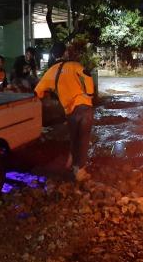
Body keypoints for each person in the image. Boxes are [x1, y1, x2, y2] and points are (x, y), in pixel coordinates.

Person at [35, 42, 94, 182]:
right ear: (65, 53)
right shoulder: (73, 65)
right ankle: (80, 170)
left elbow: (37, 91)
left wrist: (46, 96)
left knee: (74, 138)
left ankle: (74, 166)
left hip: (70, 110)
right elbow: (87, 74)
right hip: (84, 105)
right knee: (84, 138)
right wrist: (90, 94)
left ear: (53, 55)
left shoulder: (49, 72)